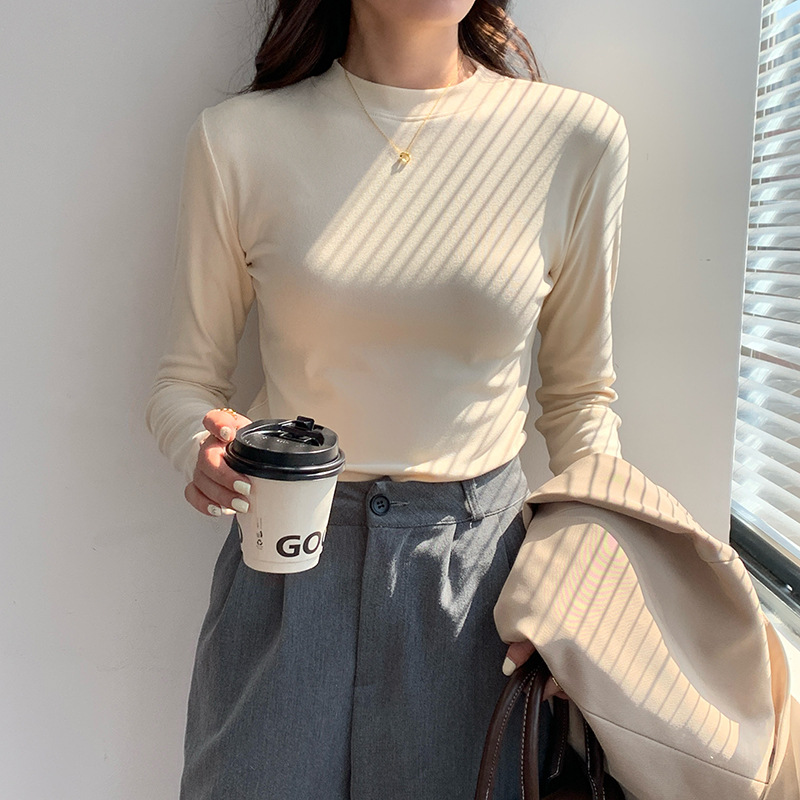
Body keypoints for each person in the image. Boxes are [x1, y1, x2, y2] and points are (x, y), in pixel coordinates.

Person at [146, 1, 800, 798]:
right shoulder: (239, 141)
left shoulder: (575, 139)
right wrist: (206, 448)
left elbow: (580, 401)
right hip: (286, 564)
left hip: (478, 592)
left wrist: (580, 598)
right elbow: (185, 381)